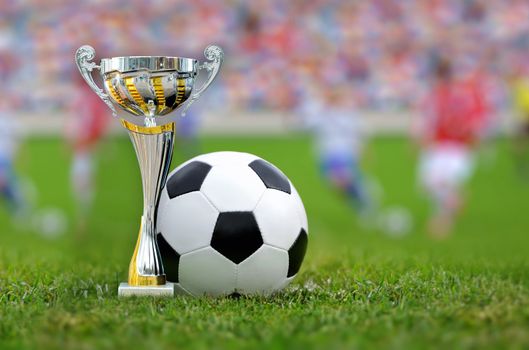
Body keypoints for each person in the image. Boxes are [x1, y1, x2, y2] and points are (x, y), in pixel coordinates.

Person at [415, 58, 489, 238]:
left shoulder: (461, 94)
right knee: (429, 185)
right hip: (441, 145)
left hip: (456, 147)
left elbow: (478, 121)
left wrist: (476, 137)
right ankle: (450, 205)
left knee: (441, 182)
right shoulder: (440, 94)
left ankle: (442, 221)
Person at [297, 84, 373, 219]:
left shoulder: (349, 114)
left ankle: (365, 199)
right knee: (336, 185)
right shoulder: (322, 113)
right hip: (326, 156)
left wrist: (363, 149)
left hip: (343, 153)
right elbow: (305, 125)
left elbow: (358, 133)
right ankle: (360, 199)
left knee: (342, 180)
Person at [66, 77, 109, 236]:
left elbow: (93, 123)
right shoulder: (85, 99)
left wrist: (86, 140)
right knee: (82, 182)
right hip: (84, 146)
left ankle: (83, 220)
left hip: (85, 146)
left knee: (82, 182)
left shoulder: (87, 100)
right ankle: (83, 219)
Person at [509, 69, 529, 180]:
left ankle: (520, 163)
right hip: (523, 117)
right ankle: (520, 163)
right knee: (520, 141)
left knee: (520, 141)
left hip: (523, 117)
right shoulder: (521, 87)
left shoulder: (521, 87)